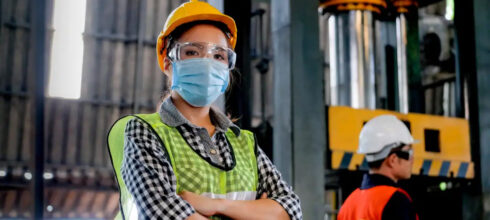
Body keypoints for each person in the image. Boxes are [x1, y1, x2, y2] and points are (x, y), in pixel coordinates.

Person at [107, 0, 302, 219]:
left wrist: (216, 205)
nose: (207, 63)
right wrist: (255, 212)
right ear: (167, 62)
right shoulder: (145, 133)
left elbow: (291, 210)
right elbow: (163, 213)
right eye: (192, 52)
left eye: (218, 56)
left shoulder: (244, 143)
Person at [337, 115, 419, 220]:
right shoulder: (395, 200)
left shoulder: (348, 204)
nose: (412, 159)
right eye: (409, 152)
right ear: (392, 159)